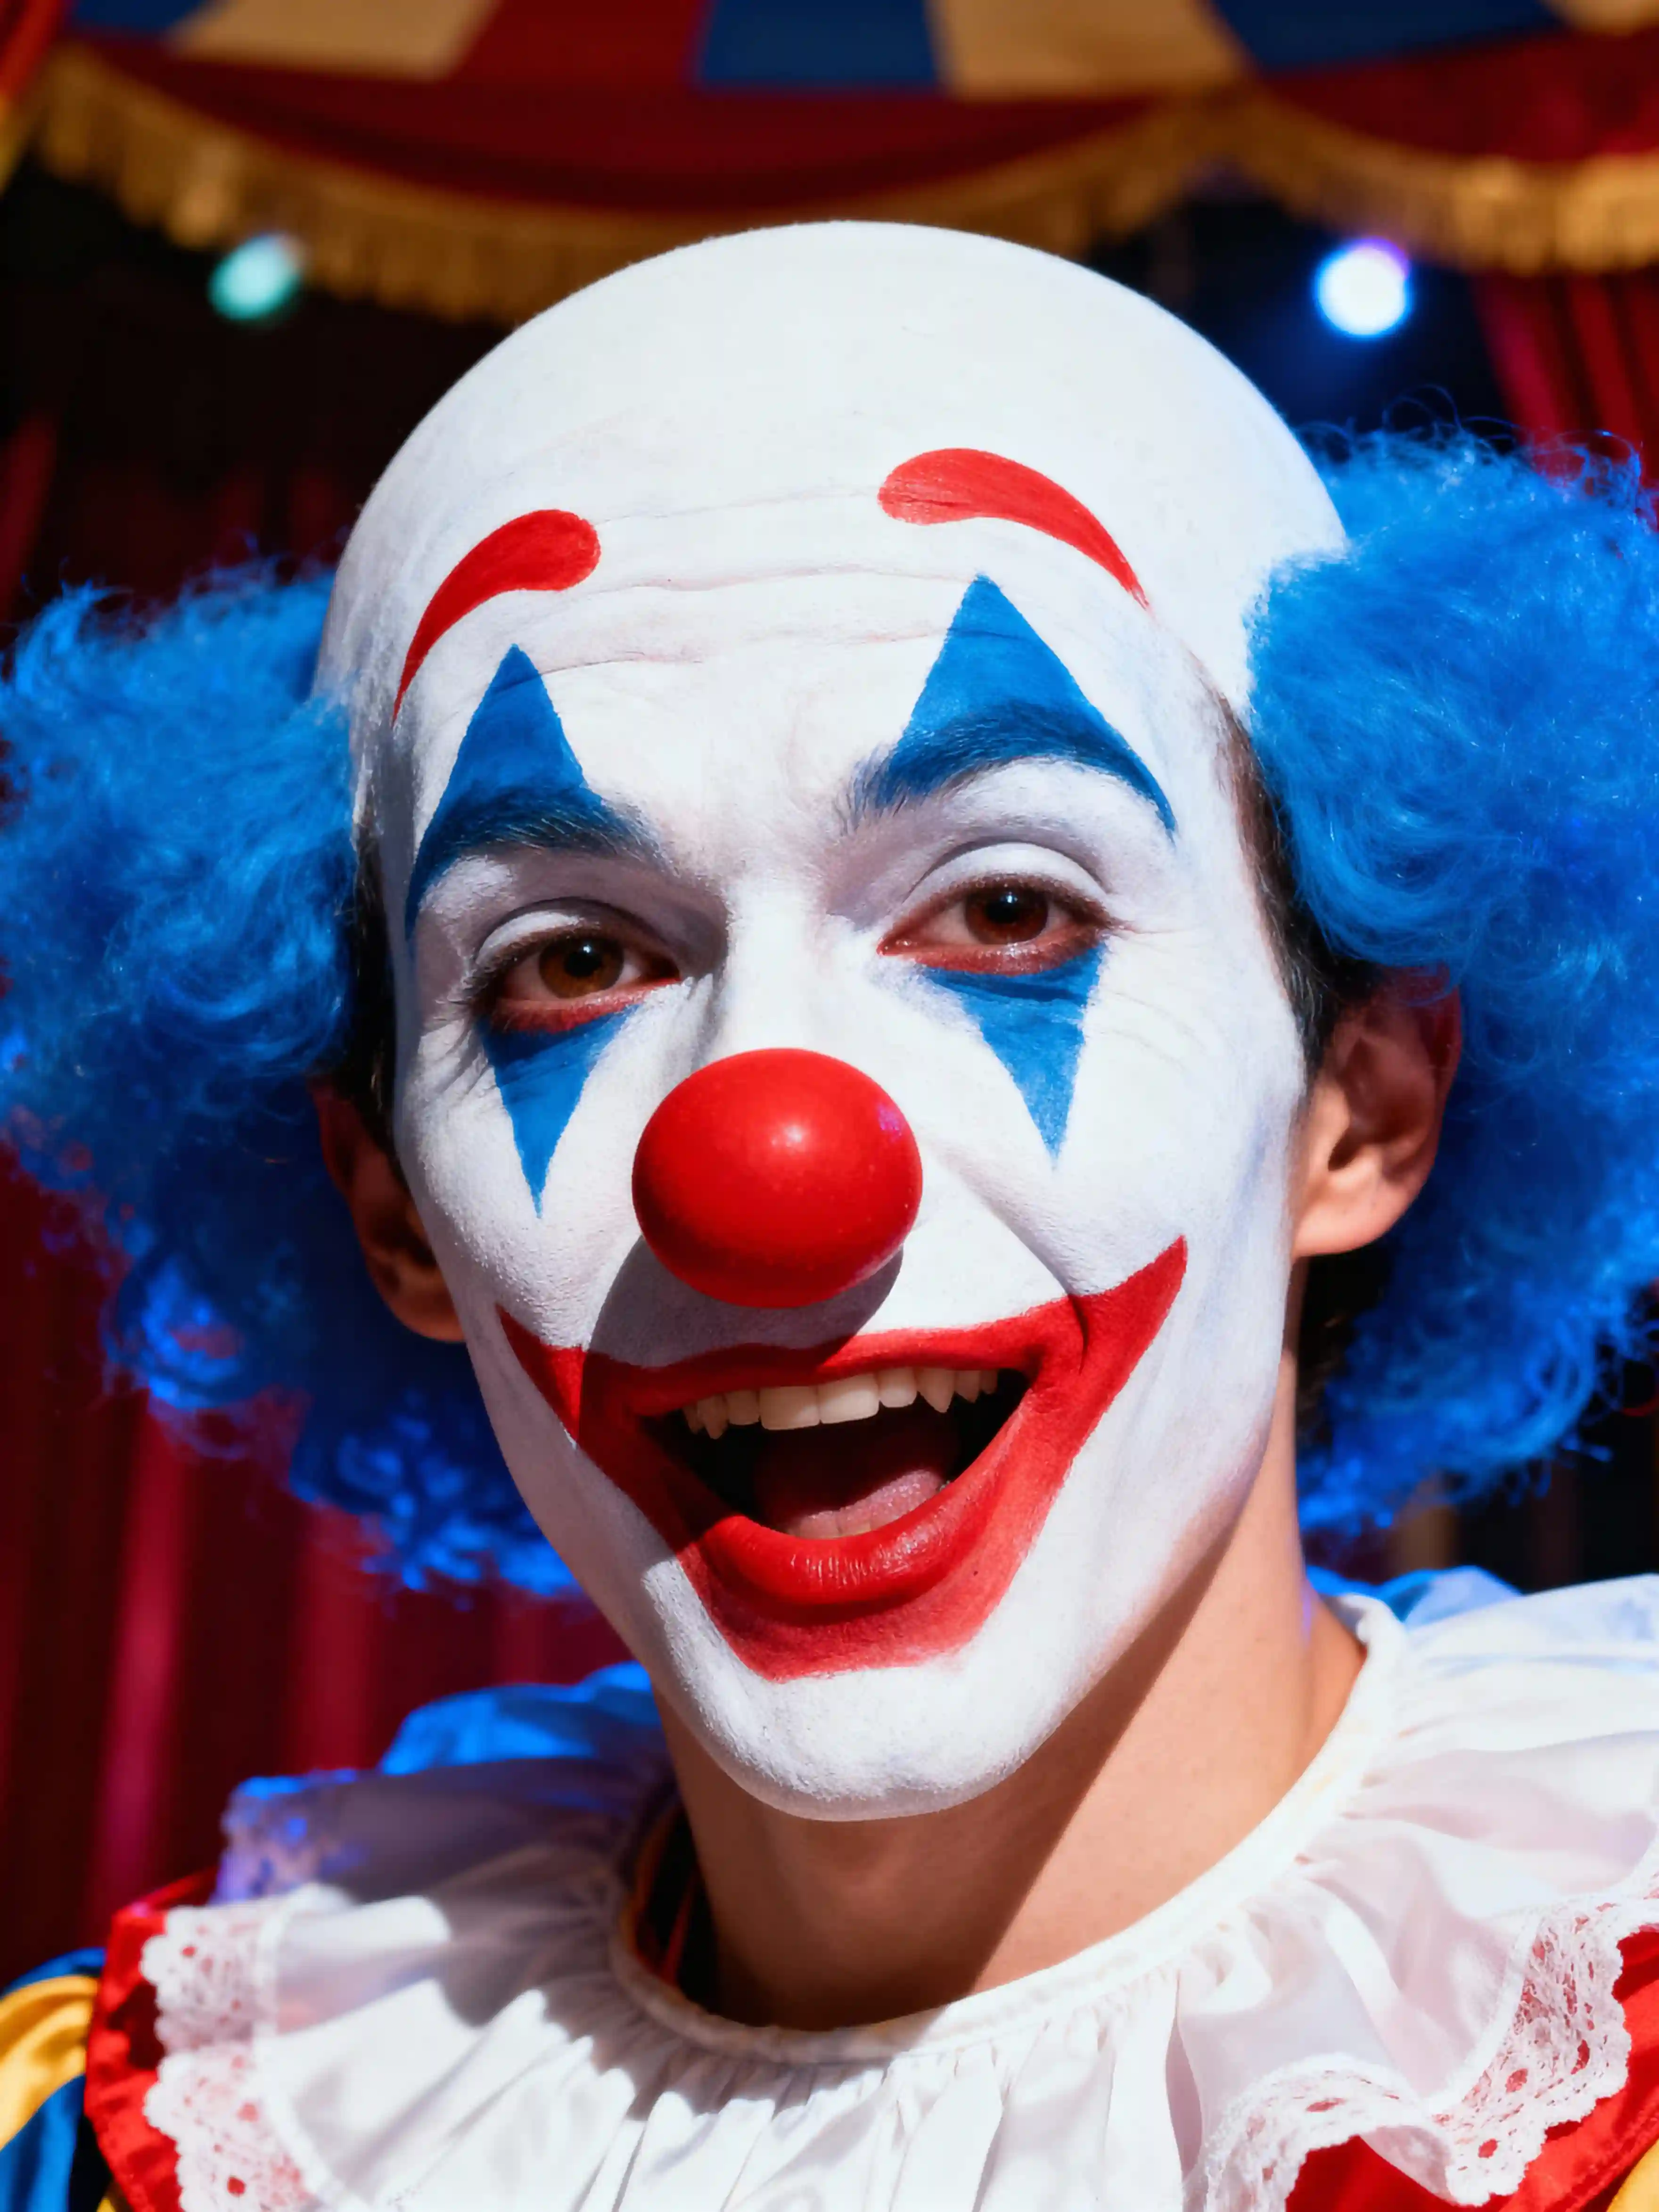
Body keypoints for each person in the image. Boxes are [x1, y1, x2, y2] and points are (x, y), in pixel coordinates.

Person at [3, 221, 1659, 2212]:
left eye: (1004, 910)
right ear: (395, 1213)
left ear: (1361, 1109)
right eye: (572, 958)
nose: (767, 1164)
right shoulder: (140, 2140)